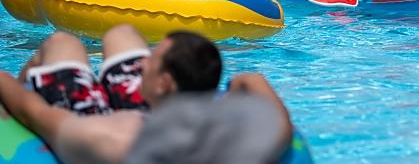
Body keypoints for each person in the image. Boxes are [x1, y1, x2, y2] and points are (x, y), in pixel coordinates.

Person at [0, 25, 293, 164]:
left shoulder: (109, 141)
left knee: (62, 41)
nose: (143, 63)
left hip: (93, 115)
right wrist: (234, 88)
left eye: (151, 60)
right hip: (162, 111)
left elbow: (27, 109)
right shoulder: (245, 145)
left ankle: (38, 66)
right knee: (122, 33)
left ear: (164, 83)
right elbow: (252, 80)